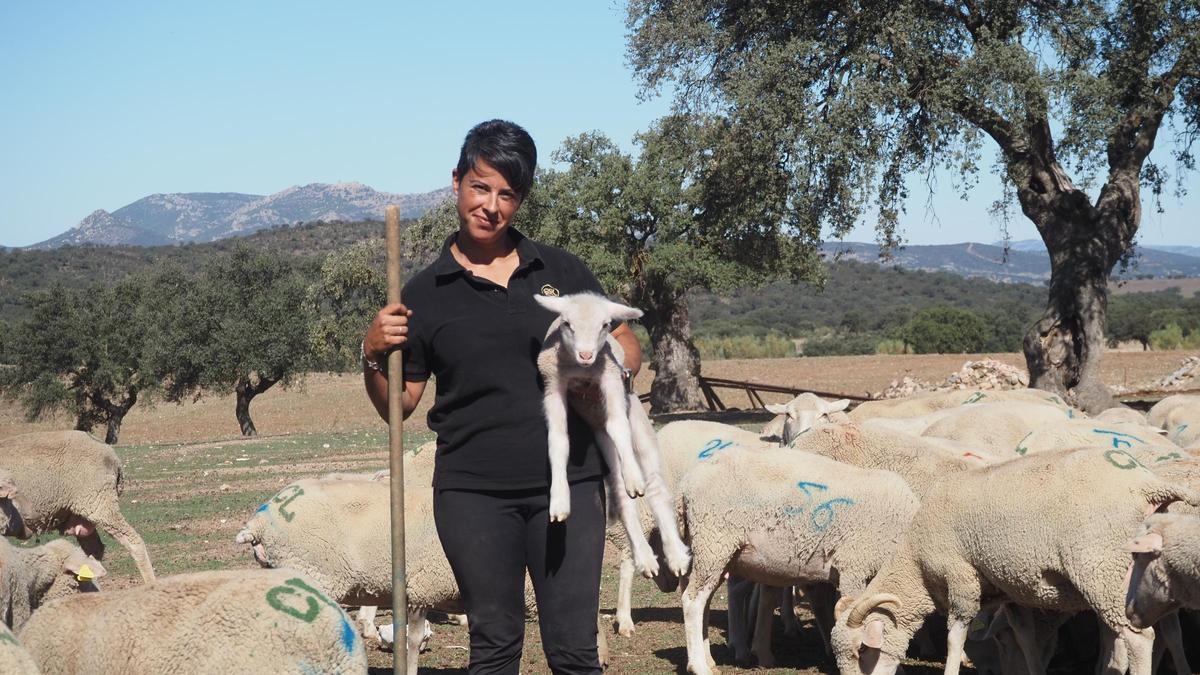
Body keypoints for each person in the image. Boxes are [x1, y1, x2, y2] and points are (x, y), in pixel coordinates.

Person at [361, 119, 641, 675]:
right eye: (480, 187)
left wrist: (606, 366)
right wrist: (372, 354)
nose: (490, 205)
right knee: (493, 646)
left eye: (507, 193)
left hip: (572, 485)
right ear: (457, 182)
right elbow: (401, 402)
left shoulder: (559, 270)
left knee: (574, 649)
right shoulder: (422, 294)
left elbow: (628, 346)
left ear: (521, 200)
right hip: (473, 493)